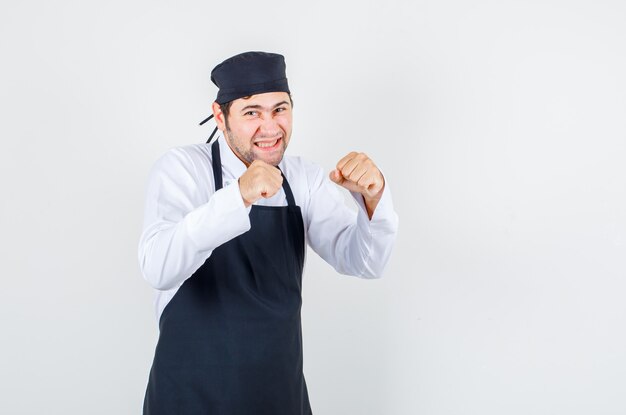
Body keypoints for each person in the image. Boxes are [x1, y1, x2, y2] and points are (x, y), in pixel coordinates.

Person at [138, 51, 399, 414]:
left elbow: (365, 262)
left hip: (279, 398)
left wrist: (373, 199)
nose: (270, 127)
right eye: (251, 113)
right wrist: (238, 196)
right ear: (220, 115)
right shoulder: (182, 169)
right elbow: (157, 267)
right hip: (189, 398)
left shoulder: (303, 179)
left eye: (279, 109)